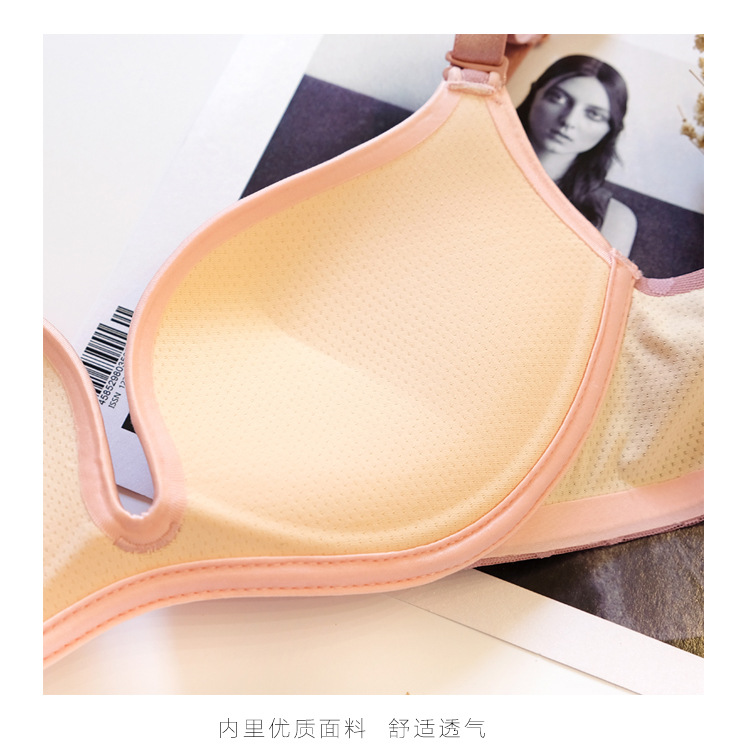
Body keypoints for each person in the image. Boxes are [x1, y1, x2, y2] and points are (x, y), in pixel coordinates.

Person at [517, 55, 638, 256]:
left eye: (593, 114)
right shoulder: (471, 165)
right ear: (534, 95)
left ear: (610, 129)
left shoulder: (614, 220)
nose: (569, 120)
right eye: (558, 98)